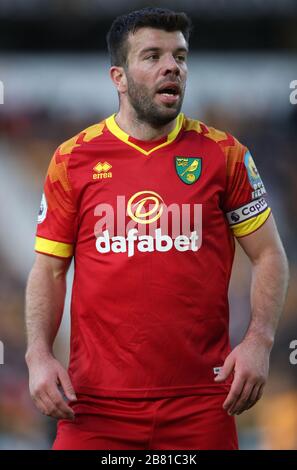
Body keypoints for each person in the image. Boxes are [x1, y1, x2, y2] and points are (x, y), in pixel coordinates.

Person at [25, 7, 289, 450]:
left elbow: (269, 255)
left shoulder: (224, 155)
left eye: (180, 57)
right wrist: (38, 355)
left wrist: (259, 341)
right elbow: (49, 268)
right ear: (119, 77)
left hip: (203, 404)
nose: (172, 67)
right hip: (94, 407)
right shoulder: (72, 159)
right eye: (152, 56)